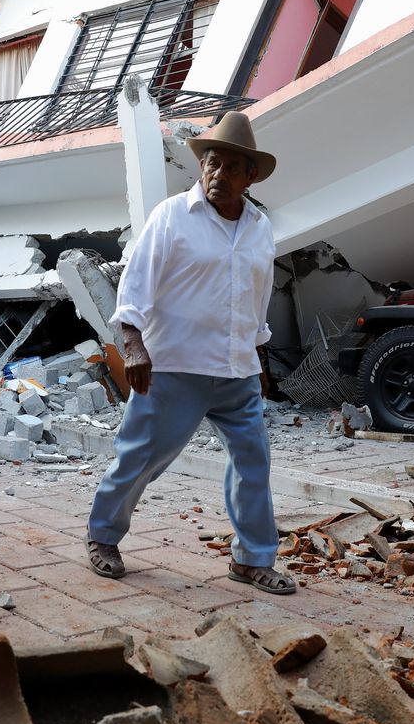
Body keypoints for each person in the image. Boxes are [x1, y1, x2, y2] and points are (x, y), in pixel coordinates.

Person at [85, 111, 295, 595]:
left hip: (237, 370)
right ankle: (103, 536)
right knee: (141, 458)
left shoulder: (261, 228)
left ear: (250, 176)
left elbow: (256, 300)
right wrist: (133, 345)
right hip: (174, 366)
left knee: (253, 463)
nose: (217, 175)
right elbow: (136, 284)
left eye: (229, 168)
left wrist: (259, 360)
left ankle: (251, 559)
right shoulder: (172, 216)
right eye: (211, 164)